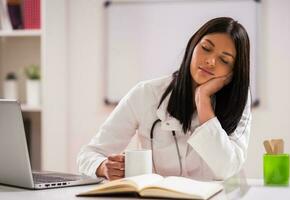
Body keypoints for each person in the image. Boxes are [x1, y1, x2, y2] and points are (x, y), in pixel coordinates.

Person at [77, 17, 251, 181]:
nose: (211, 61)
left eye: (224, 60)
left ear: (233, 72)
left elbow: (227, 169)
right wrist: (103, 167)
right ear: (193, 46)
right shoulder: (146, 93)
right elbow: (88, 155)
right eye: (206, 48)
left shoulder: (238, 103)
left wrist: (203, 101)